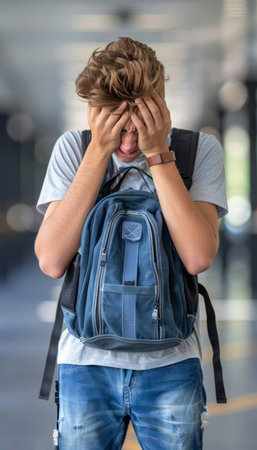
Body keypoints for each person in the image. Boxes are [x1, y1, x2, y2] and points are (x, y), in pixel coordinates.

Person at [35, 37, 227, 450]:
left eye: (138, 121)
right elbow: (51, 260)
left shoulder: (197, 151)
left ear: (159, 104)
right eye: (115, 123)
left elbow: (198, 256)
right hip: (85, 363)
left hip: (171, 363)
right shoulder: (75, 149)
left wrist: (158, 153)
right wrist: (97, 153)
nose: (127, 139)